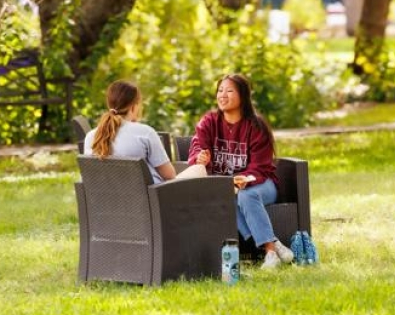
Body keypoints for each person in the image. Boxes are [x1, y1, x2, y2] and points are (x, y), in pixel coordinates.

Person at [186, 73, 294, 269]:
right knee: (227, 197)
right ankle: (272, 246)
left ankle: (270, 252)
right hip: (227, 188)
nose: (222, 95)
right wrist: (200, 158)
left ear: (243, 96)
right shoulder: (209, 122)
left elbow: (260, 166)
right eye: (220, 90)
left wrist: (243, 179)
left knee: (245, 195)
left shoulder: (256, 126)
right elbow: (197, 148)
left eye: (229, 91)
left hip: (262, 184)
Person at [84, 80, 177, 184]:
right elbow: (169, 175)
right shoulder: (145, 133)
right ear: (134, 106)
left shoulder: (91, 137)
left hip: (105, 194)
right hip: (150, 193)